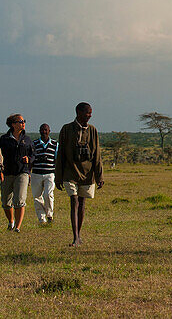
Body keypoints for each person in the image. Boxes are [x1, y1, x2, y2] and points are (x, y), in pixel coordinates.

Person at [56, 102, 103, 246]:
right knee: (74, 201)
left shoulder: (93, 130)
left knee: (82, 203)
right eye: (87, 112)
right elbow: (61, 155)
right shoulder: (67, 129)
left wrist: (99, 176)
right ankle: (75, 237)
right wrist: (58, 176)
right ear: (78, 112)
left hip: (87, 173)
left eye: (90, 113)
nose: (89, 115)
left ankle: (79, 235)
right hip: (70, 172)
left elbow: (97, 154)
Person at [0, 113, 33, 233]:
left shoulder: (27, 139)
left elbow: (33, 154)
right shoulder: (4, 139)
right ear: (13, 124)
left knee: (19, 200)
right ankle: (11, 221)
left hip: (22, 172)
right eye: (20, 121)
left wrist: (29, 159)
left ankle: (18, 227)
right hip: (7, 172)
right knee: (6, 202)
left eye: (24, 121)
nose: (23, 123)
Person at [31, 123, 58, 225]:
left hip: (50, 173)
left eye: (46, 130)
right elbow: (32, 160)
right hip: (36, 173)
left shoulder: (55, 144)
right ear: (39, 131)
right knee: (37, 196)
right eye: (42, 130)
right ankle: (42, 219)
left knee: (48, 194)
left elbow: (56, 160)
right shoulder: (34, 144)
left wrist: (57, 173)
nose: (44, 132)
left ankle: (49, 214)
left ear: (49, 131)